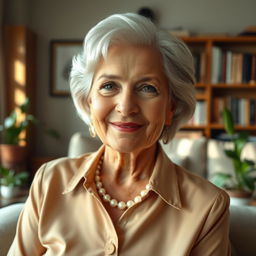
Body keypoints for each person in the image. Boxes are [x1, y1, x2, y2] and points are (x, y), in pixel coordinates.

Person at [8, 13, 231, 255]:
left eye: (147, 88)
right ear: (89, 101)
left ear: (171, 108)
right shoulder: (49, 181)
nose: (125, 106)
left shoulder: (208, 207)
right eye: (109, 86)